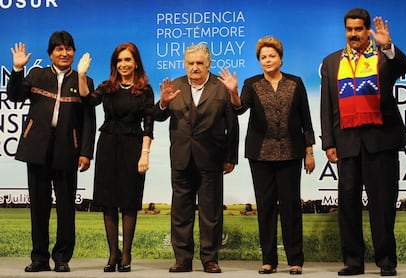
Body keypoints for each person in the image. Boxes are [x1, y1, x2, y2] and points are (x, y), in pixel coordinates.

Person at [320, 8, 406, 276]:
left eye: (358, 29)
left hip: (380, 141)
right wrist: (328, 142)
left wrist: (389, 47)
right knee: (347, 204)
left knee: (382, 203)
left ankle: (386, 262)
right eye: (349, 29)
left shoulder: (383, 57)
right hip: (346, 141)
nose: (353, 34)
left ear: (367, 30)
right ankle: (353, 261)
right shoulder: (332, 61)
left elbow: (402, 67)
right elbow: (327, 105)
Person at [219, 36, 315, 275]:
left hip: (291, 153)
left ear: (281, 59)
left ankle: (295, 260)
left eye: (272, 56)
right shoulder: (252, 84)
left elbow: (306, 119)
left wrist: (309, 151)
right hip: (260, 154)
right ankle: (269, 260)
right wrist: (232, 92)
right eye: (263, 57)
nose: (268, 60)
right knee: (266, 207)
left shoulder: (295, 83)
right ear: (259, 61)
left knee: (291, 207)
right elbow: (239, 108)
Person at [6, 31, 96, 272]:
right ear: (50, 54)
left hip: (68, 148)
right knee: (39, 205)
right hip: (37, 148)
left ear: (74, 53)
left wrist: (86, 151)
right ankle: (39, 258)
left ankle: (62, 258)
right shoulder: (36, 75)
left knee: (67, 207)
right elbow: (14, 96)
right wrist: (17, 70)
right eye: (59, 49)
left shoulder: (83, 80)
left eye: (68, 49)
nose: (64, 53)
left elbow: (89, 119)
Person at [152, 43, 239, 274]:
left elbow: (233, 124)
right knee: (181, 211)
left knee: (211, 212)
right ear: (185, 64)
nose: (195, 67)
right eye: (191, 63)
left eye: (200, 63)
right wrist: (163, 103)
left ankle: (210, 259)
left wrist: (231, 156)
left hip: (212, 158)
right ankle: (182, 259)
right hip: (181, 158)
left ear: (209, 64)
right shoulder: (175, 85)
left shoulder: (221, 88)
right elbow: (157, 116)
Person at [78, 42, 154, 272]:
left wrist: (145, 154)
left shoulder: (145, 90)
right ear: (115, 64)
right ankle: (113, 253)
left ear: (136, 63)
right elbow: (88, 99)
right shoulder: (107, 86)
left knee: (129, 202)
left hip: (133, 147)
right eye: (119, 60)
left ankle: (127, 254)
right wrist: (81, 76)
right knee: (109, 202)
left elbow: (149, 125)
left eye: (127, 60)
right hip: (108, 145)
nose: (123, 64)